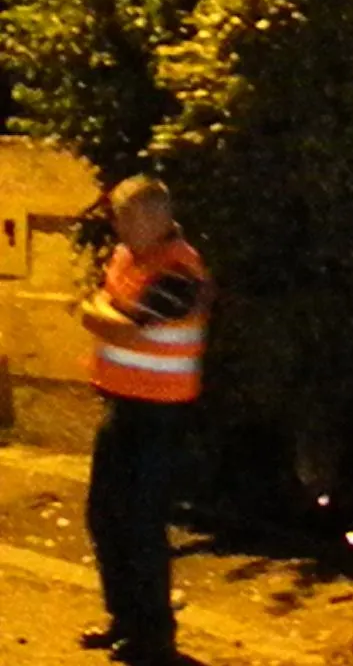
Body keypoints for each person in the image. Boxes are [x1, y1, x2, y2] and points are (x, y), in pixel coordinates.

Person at [75, 175, 211, 666]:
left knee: (142, 523)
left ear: (156, 216)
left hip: (160, 414)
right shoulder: (127, 257)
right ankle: (125, 619)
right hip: (123, 404)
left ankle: (154, 637)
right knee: (105, 515)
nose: (118, 227)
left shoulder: (181, 270)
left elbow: (119, 327)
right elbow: (101, 310)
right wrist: (105, 313)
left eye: (126, 217)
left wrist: (101, 313)